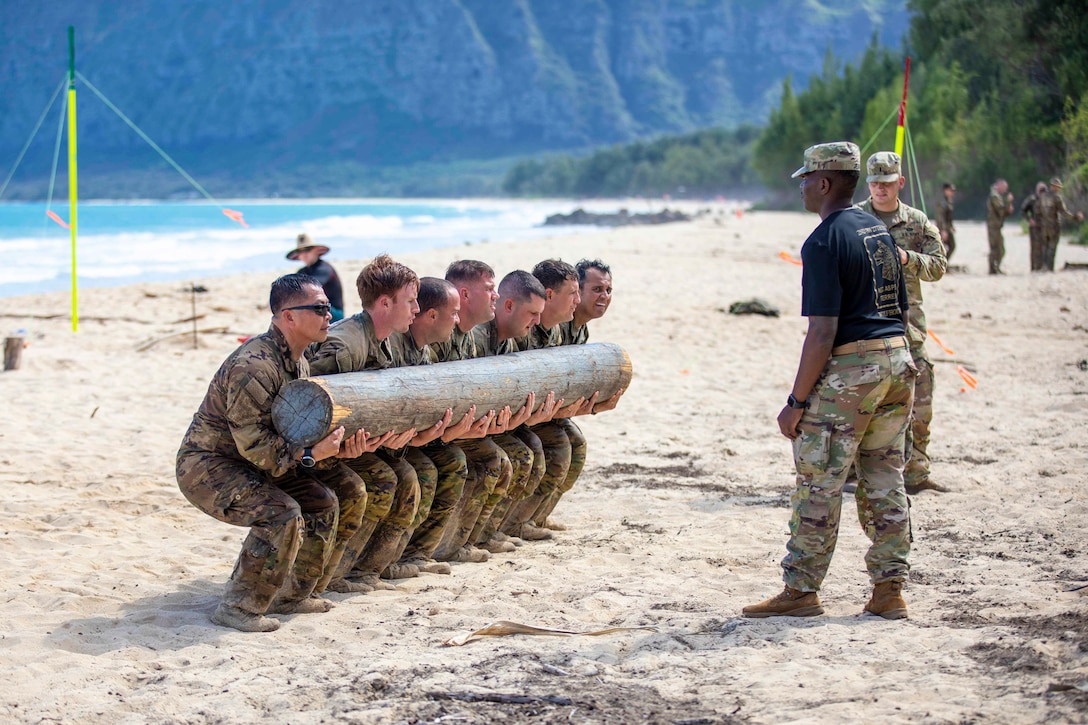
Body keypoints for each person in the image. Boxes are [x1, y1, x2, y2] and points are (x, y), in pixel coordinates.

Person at [743, 142, 915, 621]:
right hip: (898, 362)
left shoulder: (822, 242)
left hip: (852, 370)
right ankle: (889, 590)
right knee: (884, 476)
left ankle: (801, 591)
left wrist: (796, 401)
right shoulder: (877, 230)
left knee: (820, 481)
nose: (800, 186)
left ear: (823, 183)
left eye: (805, 179)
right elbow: (898, 309)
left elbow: (822, 331)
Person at [176, 274, 370, 632]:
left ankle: (291, 595)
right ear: (288, 316)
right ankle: (238, 607)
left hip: (255, 463)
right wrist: (311, 453)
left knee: (324, 501)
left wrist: (334, 450)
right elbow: (256, 446)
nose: (330, 315)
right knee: (281, 514)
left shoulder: (296, 360)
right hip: (209, 466)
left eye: (328, 307)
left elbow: (293, 432)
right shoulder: (255, 366)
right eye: (320, 308)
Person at [307, 254, 427, 593]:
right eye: (410, 300)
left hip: (357, 444)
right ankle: (333, 575)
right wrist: (342, 448)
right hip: (315, 450)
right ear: (385, 303)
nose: (416, 308)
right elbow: (310, 409)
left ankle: (363, 569)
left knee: (405, 476)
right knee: (379, 482)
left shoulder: (386, 338)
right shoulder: (343, 346)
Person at [858, 151, 948, 495]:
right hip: (864, 326)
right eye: (875, 182)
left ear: (900, 182)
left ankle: (916, 472)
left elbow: (939, 266)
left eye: (887, 182)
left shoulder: (917, 222)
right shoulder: (854, 218)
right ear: (868, 183)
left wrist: (908, 258)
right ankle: (858, 471)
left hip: (908, 326)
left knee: (921, 398)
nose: (880, 188)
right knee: (866, 403)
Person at [288, 233, 345, 321]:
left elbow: (306, 290)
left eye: (307, 249)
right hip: (318, 309)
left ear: (316, 250)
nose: (304, 254)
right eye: (300, 251)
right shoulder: (302, 271)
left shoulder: (324, 269)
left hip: (333, 313)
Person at [1036, 177, 1085, 272]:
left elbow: (1037, 211)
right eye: (1058, 187)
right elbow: (1064, 212)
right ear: (1055, 187)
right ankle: (1049, 268)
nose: (1058, 189)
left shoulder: (1042, 197)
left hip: (1043, 226)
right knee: (1052, 247)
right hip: (1054, 226)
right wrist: (1075, 217)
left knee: (1044, 246)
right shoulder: (1057, 198)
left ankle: (1043, 267)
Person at [986, 179, 1015, 275]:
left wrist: (1008, 209)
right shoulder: (994, 196)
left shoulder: (998, 196)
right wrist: (1008, 202)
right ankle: (992, 269)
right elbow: (1000, 209)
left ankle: (996, 267)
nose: (1005, 190)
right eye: (1004, 188)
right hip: (993, 226)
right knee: (995, 248)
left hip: (997, 226)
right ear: (998, 185)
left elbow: (1003, 212)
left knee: (1000, 249)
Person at [1022, 182, 1049, 272]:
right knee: (1035, 248)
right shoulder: (1032, 200)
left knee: (1045, 247)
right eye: (1040, 189)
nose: (1042, 192)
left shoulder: (1049, 200)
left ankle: (1044, 266)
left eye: (1044, 189)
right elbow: (1023, 211)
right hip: (1035, 227)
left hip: (1046, 227)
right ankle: (1034, 267)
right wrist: (1029, 220)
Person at [935, 182, 957, 260]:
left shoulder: (948, 201)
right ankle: (942, 264)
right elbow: (940, 217)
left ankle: (944, 263)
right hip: (943, 229)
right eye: (951, 190)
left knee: (951, 246)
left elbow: (949, 217)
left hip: (947, 228)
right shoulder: (942, 202)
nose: (953, 192)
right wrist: (943, 230)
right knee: (943, 248)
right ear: (946, 190)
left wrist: (951, 226)